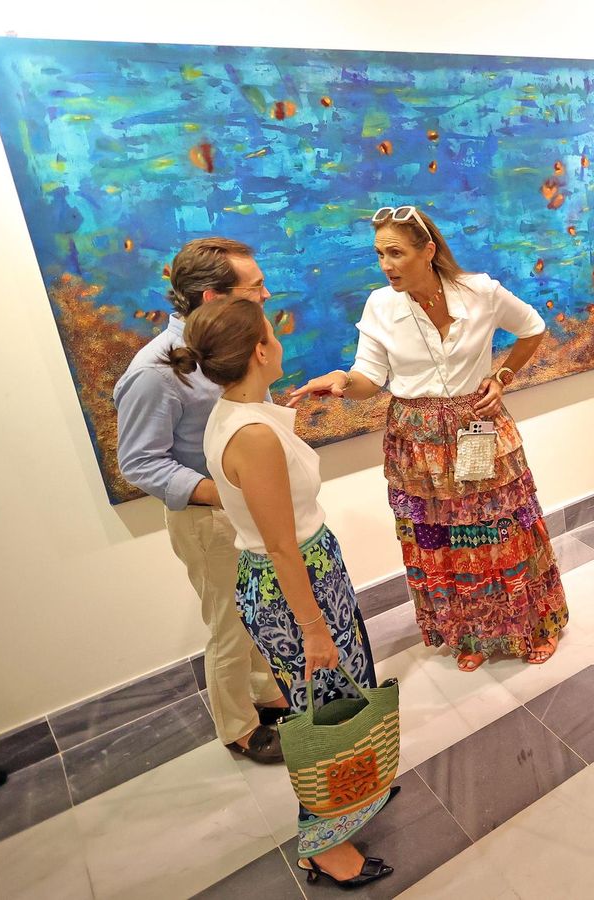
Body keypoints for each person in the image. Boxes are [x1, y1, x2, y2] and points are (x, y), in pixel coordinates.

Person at [169, 297, 397, 887]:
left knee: (343, 700)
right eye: (271, 332)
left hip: (306, 571)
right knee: (318, 716)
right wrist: (315, 628)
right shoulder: (252, 435)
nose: (279, 336)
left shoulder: (246, 412)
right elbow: (280, 547)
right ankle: (323, 841)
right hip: (294, 585)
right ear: (259, 352)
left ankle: (354, 789)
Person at [289, 206, 566, 671]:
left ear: (429, 251)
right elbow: (368, 378)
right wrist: (341, 380)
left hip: (477, 424)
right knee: (441, 539)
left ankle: (533, 625)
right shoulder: (381, 305)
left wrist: (502, 377)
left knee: (506, 528)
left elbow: (533, 328)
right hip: (416, 442)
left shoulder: (480, 292)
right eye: (379, 254)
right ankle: (469, 633)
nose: (386, 265)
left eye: (395, 253)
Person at [113, 238, 288, 764]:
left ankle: (264, 694)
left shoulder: (232, 346)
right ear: (213, 297)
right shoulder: (154, 372)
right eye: (255, 288)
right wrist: (226, 494)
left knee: (255, 613)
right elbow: (139, 462)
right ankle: (238, 728)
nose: (266, 294)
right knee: (228, 627)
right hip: (208, 522)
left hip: (242, 512)